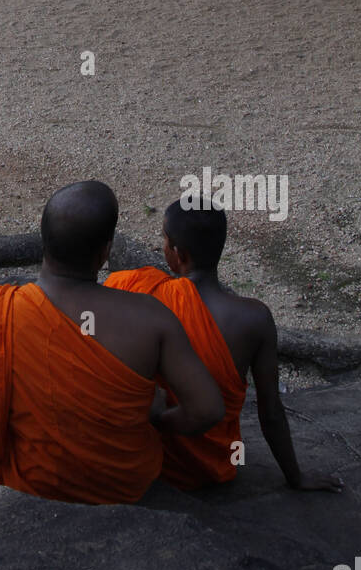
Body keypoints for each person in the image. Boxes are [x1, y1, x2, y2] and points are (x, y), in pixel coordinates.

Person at [0, 180, 224, 504]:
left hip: (26, 489)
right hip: (119, 488)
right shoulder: (152, 319)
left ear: (44, 240)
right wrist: (156, 419)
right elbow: (207, 410)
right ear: (105, 251)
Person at [106, 199, 343, 492]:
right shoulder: (254, 318)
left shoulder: (142, 293)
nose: (162, 247)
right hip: (214, 465)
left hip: (151, 462)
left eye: (164, 240)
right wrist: (296, 477)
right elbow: (270, 411)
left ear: (178, 254)